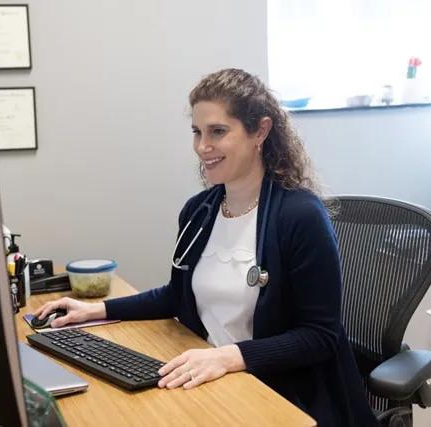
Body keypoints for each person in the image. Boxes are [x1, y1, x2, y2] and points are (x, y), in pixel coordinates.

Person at [33, 68, 378, 426]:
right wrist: (97, 311)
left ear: (260, 131)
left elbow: (320, 336)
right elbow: (176, 295)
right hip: (215, 378)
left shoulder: (299, 215)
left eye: (218, 132)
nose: (202, 147)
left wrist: (230, 357)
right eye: (197, 132)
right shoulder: (200, 211)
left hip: (283, 394)